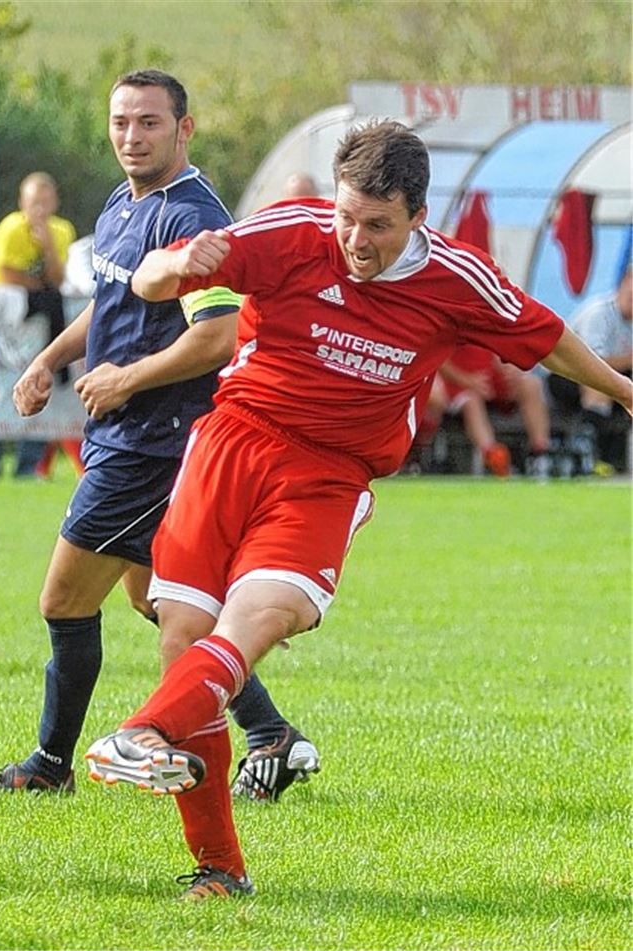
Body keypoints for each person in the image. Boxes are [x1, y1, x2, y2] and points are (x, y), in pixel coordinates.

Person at [85, 120, 632, 900]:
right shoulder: (291, 232)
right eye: (346, 216)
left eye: (376, 224)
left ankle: (142, 731)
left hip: (328, 473)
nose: (354, 238)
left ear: (417, 215)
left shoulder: (457, 279)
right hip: (233, 441)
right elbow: (148, 282)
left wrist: (621, 390)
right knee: (183, 637)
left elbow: (543, 338)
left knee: (260, 619)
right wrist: (178, 260)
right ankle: (219, 867)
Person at [0, 69, 318, 806]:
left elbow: (218, 336)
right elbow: (110, 304)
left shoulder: (191, 216)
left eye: (150, 122)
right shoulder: (125, 203)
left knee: (63, 600)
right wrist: (48, 358)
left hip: (153, 445)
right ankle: (271, 734)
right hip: (124, 434)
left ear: (184, 129)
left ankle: (49, 763)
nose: (133, 135)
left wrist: (126, 379)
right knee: (155, 598)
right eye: (122, 121)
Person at [0, 171, 80, 479]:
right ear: (22, 201)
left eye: (45, 200)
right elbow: (4, 273)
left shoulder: (61, 231)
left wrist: (47, 245)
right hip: (4, 322)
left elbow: (59, 279)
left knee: (38, 384)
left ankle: (28, 467)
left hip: (39, 324)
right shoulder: (11, 228)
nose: (39, 207)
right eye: (34, 201)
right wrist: (38, 284)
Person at [550, 264, 632, 471]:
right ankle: (590, 453)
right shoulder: (599, 313)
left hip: (611, 377)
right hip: (565, 375)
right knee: (600, 385)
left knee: (610, 384)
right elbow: (591, 362)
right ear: (623, 284)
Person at [425, 345, 553, 477]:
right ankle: (495, 459)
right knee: (471, 401)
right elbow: (437, 359)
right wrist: (467, 380)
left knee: (531, 384)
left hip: (489, 375)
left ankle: (540, 455)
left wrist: (512, 366)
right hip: (458, 381)